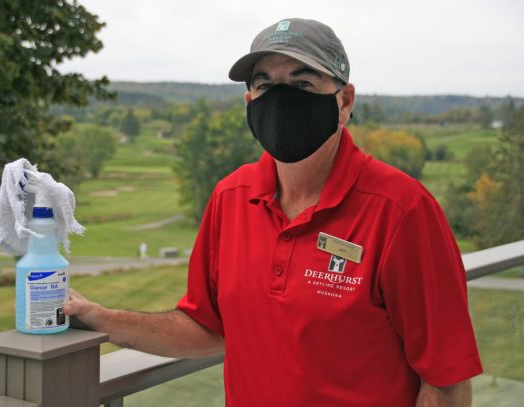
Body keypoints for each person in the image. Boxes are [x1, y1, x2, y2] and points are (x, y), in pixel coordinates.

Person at [64, 18, 482, 406]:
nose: (281, 100)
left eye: (302, 83)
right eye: (265, 85)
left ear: (344, 101)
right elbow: (208, 327)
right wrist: (104, 320)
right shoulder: (231, 198)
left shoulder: (402, 210)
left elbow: (447, 378)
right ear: (249, 100)